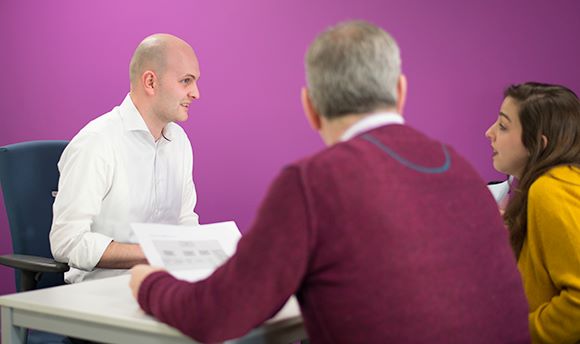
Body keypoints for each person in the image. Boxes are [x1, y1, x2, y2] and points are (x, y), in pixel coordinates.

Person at [130, 21, 529, 343]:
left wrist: (150, 284)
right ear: (400, 92)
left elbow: (215, 315)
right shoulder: (457, 168)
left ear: (311, 107)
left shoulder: (311, 183)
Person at [50, 34, 201, 283]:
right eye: (186, 81)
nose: (195, 93)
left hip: (163, 284)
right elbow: (67, 241)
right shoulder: (96, 141)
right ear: (151, 82)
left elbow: (185, 220)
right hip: (99, 292)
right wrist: (153, 255)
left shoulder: (179, 141)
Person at [485, 82, 580, 343]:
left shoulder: (549, 189)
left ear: (538, 143)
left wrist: (521, 333)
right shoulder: (549, 187)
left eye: (503, 126)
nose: (489, 133)